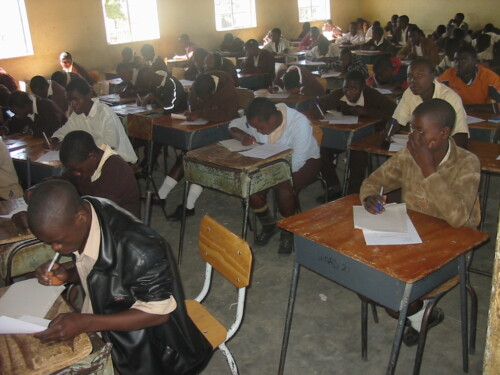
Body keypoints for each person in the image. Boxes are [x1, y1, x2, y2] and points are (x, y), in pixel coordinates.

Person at [30, 179, 212, 375]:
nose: (55, 249)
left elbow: (159, 313)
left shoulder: (141, 251)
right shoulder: (88, 209)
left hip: (146, 347)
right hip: (104, 317)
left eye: (58, 241)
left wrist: (86, 323)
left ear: (80, 218)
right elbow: (103, 269)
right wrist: (69, 274)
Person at [360, 99, 480, 346]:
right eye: (412, 129)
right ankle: (421, 314)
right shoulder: (408, 155)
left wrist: (428, 169)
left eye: (420, 131)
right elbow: (373, 181)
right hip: (412, 238)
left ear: (444, 133)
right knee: (366, 281)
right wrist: (369, 197)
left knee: (393, 296)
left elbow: (457, 218)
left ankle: (415, 312)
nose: (413, 137)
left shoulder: (467, 163)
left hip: (452, 246)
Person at [229, 98, 320, 253]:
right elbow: (233, 125)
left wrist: (270, 178)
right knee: (252, 187)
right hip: (272, 162)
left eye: (260, 127)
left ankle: (287, 230)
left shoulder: (299, 123)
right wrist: (242, 136)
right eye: (254, 128)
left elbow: (297, 162)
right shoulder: (260, 116)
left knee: (284, 191)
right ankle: (268, 225)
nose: (257, 131)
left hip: (306, 163)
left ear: (272, 118)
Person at [157, 72, 239, 220]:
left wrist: (201, 113)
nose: (202, 99)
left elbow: (228, 114)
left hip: (226, 132)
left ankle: (189, 206)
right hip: (203, 130)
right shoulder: (198, 85)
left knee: (200, 158)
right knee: (187, 155)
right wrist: (193, 112)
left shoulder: (228, 91)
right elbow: (193, 103)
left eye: (205, 97)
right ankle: (161, 196)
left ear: (213, 91)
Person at [315, 71, 397, 199]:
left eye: (354, 88)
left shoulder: (372, 95)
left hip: (368, 134)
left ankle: (351, 195)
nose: (349, 92)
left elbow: (393, 111)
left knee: (357, 153)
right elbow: (317, 104)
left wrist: (367, 112)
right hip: (344, 134)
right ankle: (333, 188)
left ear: (363, 88)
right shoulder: (339, 94)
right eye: (346, 88)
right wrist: (319, 111)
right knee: (321, 149)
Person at [51, 78, 137, 164]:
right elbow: (66, 130)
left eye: (76, 99)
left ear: (89, 95)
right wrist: (55, 138)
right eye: (69, 101)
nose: (73, 104)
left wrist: (82, 148)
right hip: (96, 160)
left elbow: (111, 144)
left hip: (120, 160)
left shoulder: (103, 112)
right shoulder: (77, 115)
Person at [388, 58, 469, 148]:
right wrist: (388, 132)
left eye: (420, 76)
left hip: (442, 149)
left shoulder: (450, 97)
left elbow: (461, 134)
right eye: (409, 76)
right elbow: (397, 120)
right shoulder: (409, 93)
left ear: (433, 76)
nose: (413, 81)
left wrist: (442, 153)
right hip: (419, 148)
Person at [60, 130, 140, 218]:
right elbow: (65, 179)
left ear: (92, 157)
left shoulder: (116, 170)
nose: (75, 174)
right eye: (71, 170)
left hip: (120, 225)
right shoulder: (84, 166)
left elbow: (99, 210)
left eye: (77, 170)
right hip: (99, 218)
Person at [439, 45, 500, 111]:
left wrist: (471, 108)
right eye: (456, 60)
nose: (457, 64)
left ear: (475, 61)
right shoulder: (448, 76)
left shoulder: (490, 78)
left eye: (463, 61)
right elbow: (436, 97)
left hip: (486, 118)